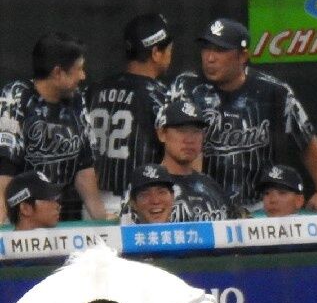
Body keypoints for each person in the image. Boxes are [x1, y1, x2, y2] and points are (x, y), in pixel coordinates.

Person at [171, 17, 317, 213]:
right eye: (206, 49)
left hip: (258, 207)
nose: (210, 58)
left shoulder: (274, 91)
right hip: (205, 206)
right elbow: (169, 145)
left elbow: (306, 140)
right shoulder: (188, 87)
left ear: (242, 56)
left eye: (220, 50)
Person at [0, 32, 106, 224]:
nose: (83, 76)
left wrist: (104, 223)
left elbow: (85, 171)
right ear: (58, 73)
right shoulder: (17, 97)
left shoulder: (76, 100)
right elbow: (4, 173)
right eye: (79, 69)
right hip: (18, 218)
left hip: (59, 215)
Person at [89, 13, 173, 218]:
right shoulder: (161, 97)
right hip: (137, 204)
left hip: (93, 204)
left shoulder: (94, 90)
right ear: (156, 53)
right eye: (169, 50)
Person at [152, 97, 239, 222]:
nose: (189, 139)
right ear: (162, 134)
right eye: (181, 131)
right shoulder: (146, 187)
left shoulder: (212, 186)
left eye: (196, 131)